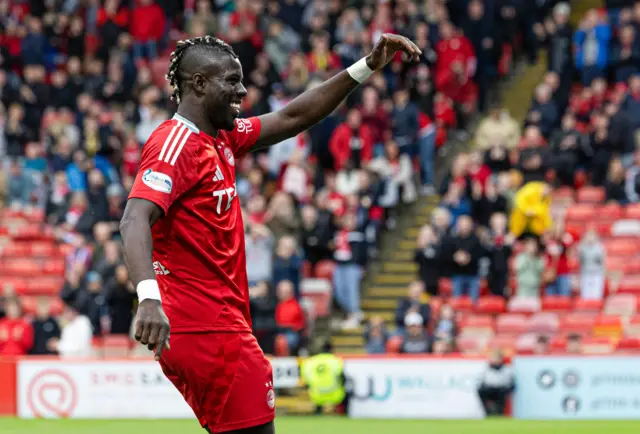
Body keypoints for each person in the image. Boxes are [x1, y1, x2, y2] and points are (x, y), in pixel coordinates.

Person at [120, 34, 421, 434]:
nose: (242, 90)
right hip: (205, 326)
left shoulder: (220, 137)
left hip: (220, 321)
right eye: (231, 81)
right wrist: (148, 299)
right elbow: (133, 219)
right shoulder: (175, 143)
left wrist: (365, 66)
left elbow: (293, 117)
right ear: (198, 84)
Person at [477, 350, 515, 416]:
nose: (495, 360)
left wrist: (506, 389)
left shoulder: (507, 369)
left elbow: (511, 384)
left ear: (501, 359)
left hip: (501, 390)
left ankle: (500, 412)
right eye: (493, 358)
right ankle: (488, 412)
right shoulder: (486, 368)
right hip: (489, 389)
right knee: (481, 391)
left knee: (502, 393)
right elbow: (482, 382)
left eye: (497, 358)